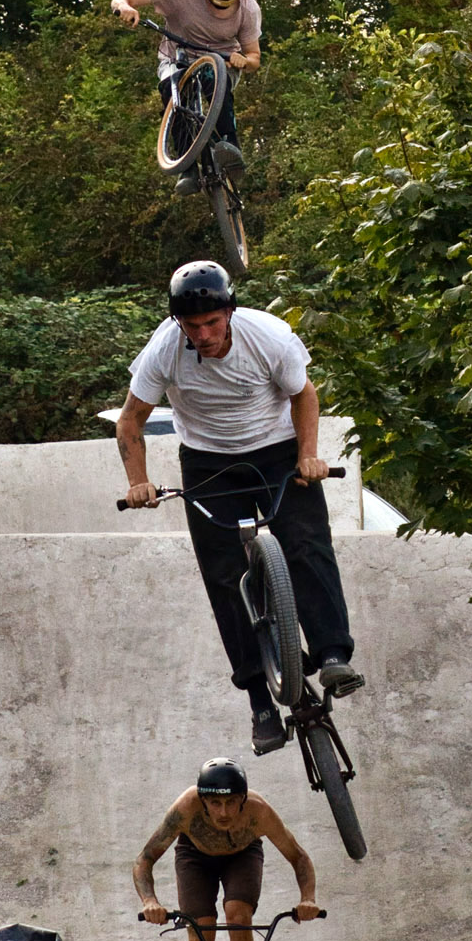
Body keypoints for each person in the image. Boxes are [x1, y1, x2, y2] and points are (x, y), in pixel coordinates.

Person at [116, 259, 363, 755]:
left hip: (275, 449)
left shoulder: (266, 336)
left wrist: (307, 455)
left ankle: (333, 652)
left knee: (306, 542)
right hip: (208, 462)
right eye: (192, 326)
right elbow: (130, 422)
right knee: (225, 576)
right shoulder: (164, 351)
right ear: (177, 325)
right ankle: (260, 703)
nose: (203, 335)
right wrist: (138, 482)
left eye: (212, 323)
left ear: (229, 311)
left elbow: (304, 395)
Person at [134, 757, 321, 941]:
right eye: (216, 804)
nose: (224, 813)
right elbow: (144, 858)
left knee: (239, 917)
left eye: (232, 802)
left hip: (242, 854)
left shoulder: (259, 812)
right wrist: (149, 901)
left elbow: (298, 857)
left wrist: (308, 899)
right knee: (202, 933)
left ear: (243, 799)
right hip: (195, 857)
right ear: (203, 801)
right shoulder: (186, 807)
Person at [110, 0, 261, 195]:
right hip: (177, 58)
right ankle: (187, 167)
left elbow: (254, 57)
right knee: (174, 90)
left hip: (223, 61)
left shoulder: (247, 7)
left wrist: (245, 61)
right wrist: (124, 7)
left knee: (216, 77)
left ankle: (230, 147)